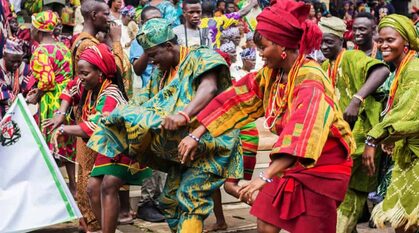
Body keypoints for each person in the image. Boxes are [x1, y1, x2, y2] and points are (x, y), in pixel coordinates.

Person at [179, 1, 356, 232]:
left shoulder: (311, 80)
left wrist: (264, 176)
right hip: (287, 161)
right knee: (265, 223)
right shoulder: (273, 73)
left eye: (263, 48)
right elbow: (236, 99)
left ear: (282, 46)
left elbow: (302, 134)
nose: (259, 54)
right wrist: (196, 133)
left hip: (323, 164)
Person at [87, 18, 242, 232]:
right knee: (169, 201)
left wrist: (184, 115)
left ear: (168, 46)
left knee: (190, 197)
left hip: (212, 142)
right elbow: (147, 102)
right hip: (183, 149)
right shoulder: (162, 73)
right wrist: (117, 115)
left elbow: (209, 87)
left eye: (153, 55)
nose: (151, 62)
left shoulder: (201, 56)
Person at [45, 43, 151, 233]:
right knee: (93, 188)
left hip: (123, 146)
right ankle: (106, 228)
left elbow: (95, 128)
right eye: (79, 73)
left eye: (85, 73)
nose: (80, 78)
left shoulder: (111, 94)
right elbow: (70, 88)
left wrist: (64, 129)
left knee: (107, 185)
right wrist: (61, 112)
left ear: (100, 72)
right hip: (108, 145)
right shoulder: (88, 85)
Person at [318, 16, 391, 233]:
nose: (323, 46)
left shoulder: (351, 57)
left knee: (351, 193)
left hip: (360, 138)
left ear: (341, 40)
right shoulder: (325, 64)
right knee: (342, 194)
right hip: (339, 140)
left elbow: (382, 71)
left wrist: (356, 100)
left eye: (329, 42)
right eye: (321, 42)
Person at [71, 1, 128, 231]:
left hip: (94, 113)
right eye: (106, 14)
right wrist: (115, 40)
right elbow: (120, 70)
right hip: (93, 117)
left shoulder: (87, 41)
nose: (110, 18)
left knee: (96, 181)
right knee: (92, 179)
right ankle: (94, 225)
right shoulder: (86, 44)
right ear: (94, 15)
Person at [363, 14, 419, 233]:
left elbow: (407, 112)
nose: (384, 45)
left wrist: (373, 138)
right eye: (381, 40)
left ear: (405, 42)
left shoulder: (414, 69)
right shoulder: (402, 68)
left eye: (390, 40)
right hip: (410, 155)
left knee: (405, 222)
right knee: (404, 223)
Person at [28, 10, 77, 201]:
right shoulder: (63, 47)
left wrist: (36, 95)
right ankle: (73, 186)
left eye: (32, 26)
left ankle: (50, 192)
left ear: (39, 30)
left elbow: (47, 81)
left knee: (50, 144)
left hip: (52, 101)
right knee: (67, 143)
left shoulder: (40, 51)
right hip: (67, 100)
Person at [129, 6, 167, 223]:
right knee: (152, 154)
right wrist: (148, 46)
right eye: (151, 22)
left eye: (159, 21)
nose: (156, 25)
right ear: (142, 24)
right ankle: (146, 202)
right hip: (151, 102)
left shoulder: (169, 41)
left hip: (169, 102)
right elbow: (137, 69)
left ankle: (161, 200)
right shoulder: (138, 43)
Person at [0, 39, 32, 119]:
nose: (16, 65)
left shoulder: (25, 69)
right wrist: (10, 100)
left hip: (19, 106)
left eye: (19, 61)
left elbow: (28, 90)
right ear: (4, 56)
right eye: (12, 61)